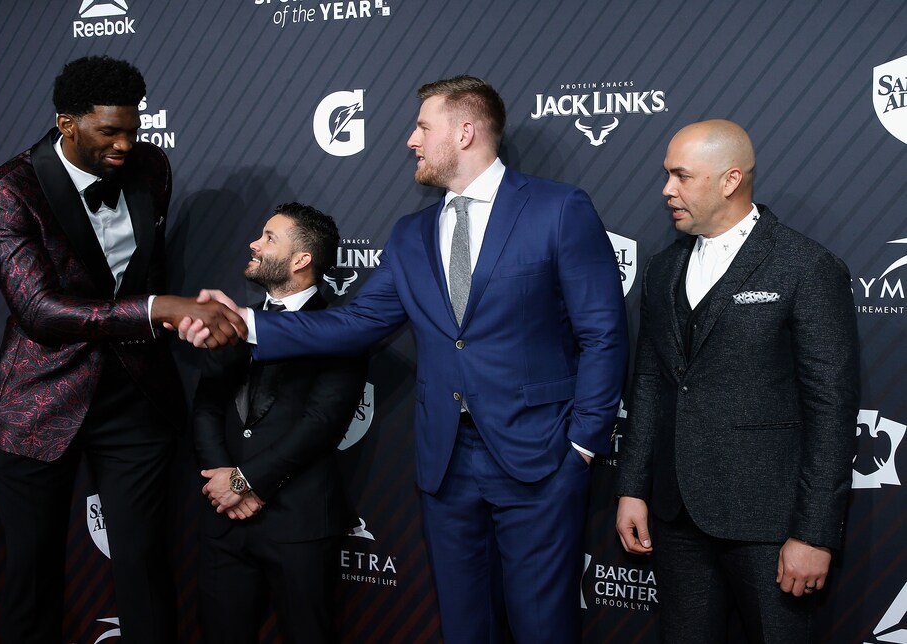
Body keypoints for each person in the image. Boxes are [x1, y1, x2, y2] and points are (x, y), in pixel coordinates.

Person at [180, 75, 628, 643]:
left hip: (540, 455)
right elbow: (356, 323)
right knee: (464, 626)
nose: (411, 140)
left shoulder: (558, 208)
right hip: (445, 463)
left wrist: (584, 444)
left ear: (465, 131)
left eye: (422, 126)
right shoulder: (412, 233)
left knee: (544, 626)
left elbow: (604, 334)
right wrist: (243, 322)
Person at [0, 55, 245, 643]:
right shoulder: (5, 191)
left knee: (146, 569)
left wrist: (181, 319)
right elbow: (39, 311)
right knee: (32, 582)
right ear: (67, 123)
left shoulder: (151, 168)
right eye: (108, 132)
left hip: (135, 397)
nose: (125, 144)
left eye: (132, 128)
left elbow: (143, 268)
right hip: (39, 404)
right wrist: (159, 308)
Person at [614, 120, 859, 643]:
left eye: (681, 176)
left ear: (729, 180)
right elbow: (652, 383)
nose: (666, 190)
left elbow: (831, 409)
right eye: (667, 175)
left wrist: (813, 532)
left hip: (771, 525)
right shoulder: (662, 269)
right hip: (676, 517)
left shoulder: (805, 267)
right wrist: (633, 488)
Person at [193, 202, 366, 643]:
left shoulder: (341, 328)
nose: (254, 242)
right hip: (225, 522)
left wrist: (245, 483)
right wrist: (223, 484)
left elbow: (322, 422)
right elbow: (207, 406)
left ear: (301, 260)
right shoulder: (235, 322)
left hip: (299, 524)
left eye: (269, 237)